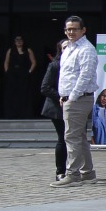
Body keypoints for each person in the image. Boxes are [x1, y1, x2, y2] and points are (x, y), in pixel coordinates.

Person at [53, 16, 99, 186]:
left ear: (83, 30)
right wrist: (63, 95)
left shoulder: (86, 49)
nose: (71, 32)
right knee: (79, 136)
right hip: (70, 98)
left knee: (71, 137)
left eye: (74, 29)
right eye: (68, 29)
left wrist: (71, 97)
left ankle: (72, 174)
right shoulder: (69, 48)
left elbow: (85, 76)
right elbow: (67, 75)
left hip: (79, 98)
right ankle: (87, 172)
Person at [40, 43, 68, 184]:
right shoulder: (55, 65)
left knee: (75, 139)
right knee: (62, 138)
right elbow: (44, 88)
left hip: (74, 106)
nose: (68, 49)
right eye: (64, 47)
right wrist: (60, 96)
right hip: (57, 108)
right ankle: (60, 171)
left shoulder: (78, 65)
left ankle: (76, 170)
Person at [2, 35, 40, 118]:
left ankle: (24, 113)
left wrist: (29, 71)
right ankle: (12, 113)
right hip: (13, 74)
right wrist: (7, 72)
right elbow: (6, 62)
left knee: (24, 94)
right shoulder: (10, 50)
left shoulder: (28, 50)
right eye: (17, 40)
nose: (19, 41)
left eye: (20, 40)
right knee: (12, 94)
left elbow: (33, 62)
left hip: (24, 74)